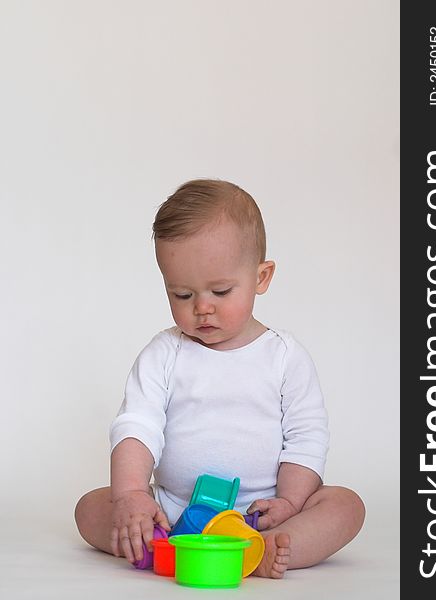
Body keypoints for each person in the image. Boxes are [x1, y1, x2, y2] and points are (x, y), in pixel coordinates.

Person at [74, 179, 365, 578]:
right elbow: (137, 426)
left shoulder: (284, 356)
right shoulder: (164, 353)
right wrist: (133, 496)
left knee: (345, 506)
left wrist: (291, 503)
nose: (203, 308)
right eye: (182, 295)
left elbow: (306, 436)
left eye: (221, 291)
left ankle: (263, 550)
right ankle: (156, 536)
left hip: (259, 511)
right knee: (91, 507)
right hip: (172, 507)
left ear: (261, 278)